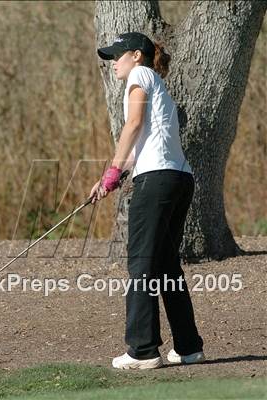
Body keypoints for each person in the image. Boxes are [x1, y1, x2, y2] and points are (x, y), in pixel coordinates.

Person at [89, 32, 204, 370]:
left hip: (158, 180)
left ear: (136, 55)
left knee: (141, 264)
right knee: (167, 265)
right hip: (178, 178)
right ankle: (187, 347)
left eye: (117, 56)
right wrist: (117, 175)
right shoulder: (155, 81)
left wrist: (111, 172)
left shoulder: (140, 74)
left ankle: (143, 350)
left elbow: (134, 124)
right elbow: (149, 137)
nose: (113, 62)